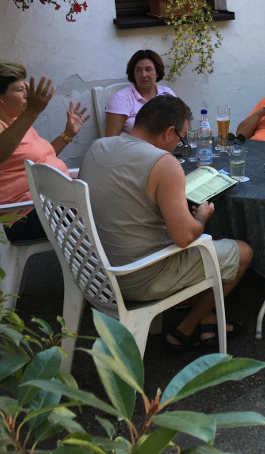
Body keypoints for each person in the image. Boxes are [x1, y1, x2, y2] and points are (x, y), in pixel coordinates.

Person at [79, 95, 253, 349]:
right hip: (138, 277)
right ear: (170, 132)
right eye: (182, 138)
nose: (179, 145)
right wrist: (201, 217)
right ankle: (186, 328)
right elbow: (184, 237)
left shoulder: (99, 147)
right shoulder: (163, 163)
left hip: (93, 268)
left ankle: (207, 319)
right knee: (243, 252)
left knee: (203, 246)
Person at [0, 60, 89, 242]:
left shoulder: (16, 123)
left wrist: (68, 134)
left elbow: (42, 159)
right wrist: (32, 111)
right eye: (20, 90)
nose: (28, 94)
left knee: (110, 187)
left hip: (50, 204)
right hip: (24, 216)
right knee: (110, 198)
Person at [105, 50, 176, 136]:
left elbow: (181, 124)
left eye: (148, 70)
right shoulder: (121, 98)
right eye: (138, 70)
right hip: (133, 144)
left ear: (157, 72)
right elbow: (110, 139)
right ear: (133, 73)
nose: (143, 75)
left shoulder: (167, 93)